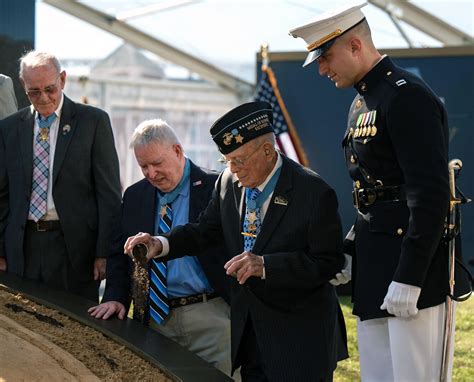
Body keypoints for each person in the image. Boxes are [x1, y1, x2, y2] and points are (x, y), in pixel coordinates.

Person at [124, 101, 348, 382]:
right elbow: (204, 231)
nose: (233, 169)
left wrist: (265, 266)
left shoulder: (312, 191)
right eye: (226, 161)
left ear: (267, 151)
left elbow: (328, 263)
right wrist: (160, 243)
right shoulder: (229, 182)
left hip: (299, 339)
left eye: (239, 160)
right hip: (249, 337)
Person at [290, 2, 453, 381]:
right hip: (376, 269)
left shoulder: (406, 95)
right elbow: (372, 192)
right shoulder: (361, 102)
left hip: (413, 275)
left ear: (356, 47)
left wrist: (410, 275)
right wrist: (351, 251)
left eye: (326, 56)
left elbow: (430, 194)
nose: (321, 69)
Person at [88, 119, 234, 377]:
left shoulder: (216, 187)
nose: (151, 174)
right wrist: (115, 296)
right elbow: (120, 253)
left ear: (177, 151)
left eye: (157, 164)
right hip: (155, 322)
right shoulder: (135, 196)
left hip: (211, 316)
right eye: (143, 166)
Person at [0, 51, 121, 302]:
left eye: (50, 89)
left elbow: (108, 194)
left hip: (75, 250)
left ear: (63, 80)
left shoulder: (93, 122)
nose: (43, 98)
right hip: (22, 248)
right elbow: (2, 195)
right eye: (34, 91)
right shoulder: (9, 128)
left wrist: (104, 252)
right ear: (23, 86)